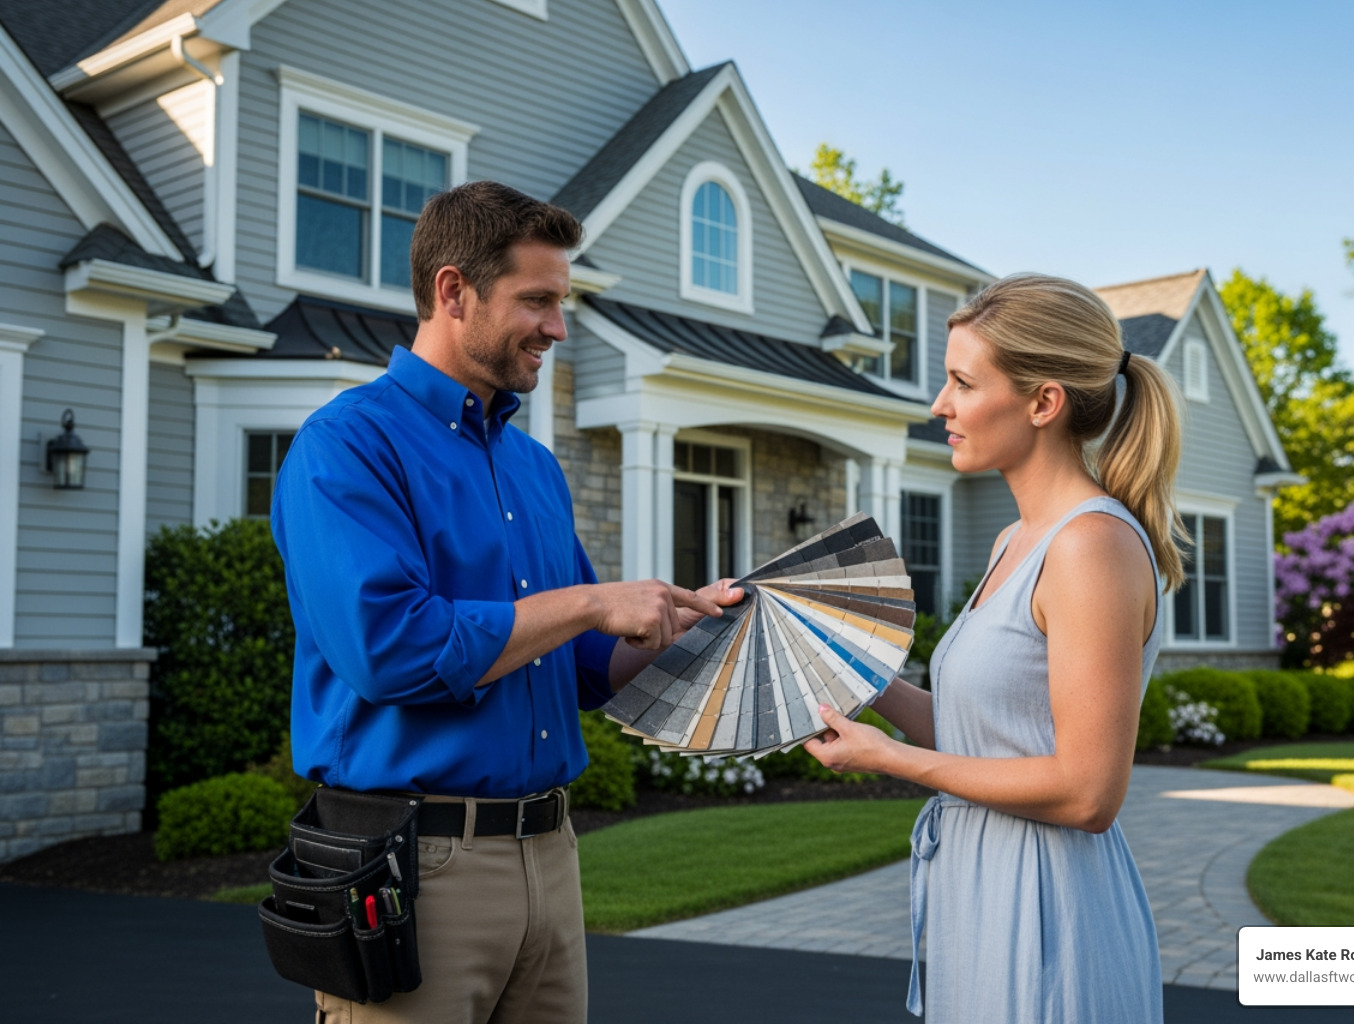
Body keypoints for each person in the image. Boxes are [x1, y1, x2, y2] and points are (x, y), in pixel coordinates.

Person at [271, 180, 740, 1024]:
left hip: (553, 861)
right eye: (538, 301)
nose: (558, 328)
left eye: (561, 302)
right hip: (417, 867)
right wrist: (593, 603)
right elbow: (392, 649)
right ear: (454, 291)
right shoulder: (347, 446)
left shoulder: (533, 467)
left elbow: (590, 668)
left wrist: (695, 623)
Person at [806, 274, 1184, 1022]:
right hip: (976, 891)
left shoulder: (1091, 548)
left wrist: (887, 759)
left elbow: (1088, 794)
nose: (939, 406)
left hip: (1048, 905)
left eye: (961, 383)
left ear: (1043, 402)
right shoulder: (1018, 538)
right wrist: (854, 674)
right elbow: (985, 734)